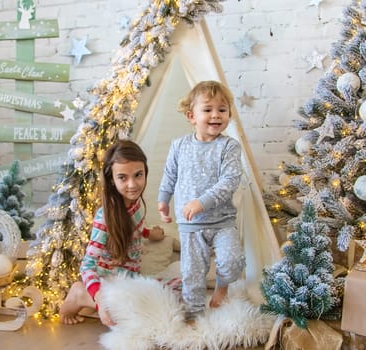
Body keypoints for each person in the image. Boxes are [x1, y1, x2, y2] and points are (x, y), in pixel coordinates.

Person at [158, 80, 246, 324]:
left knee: (233, 261)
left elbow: (229, 181)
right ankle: (194, 316)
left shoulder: (229, 147)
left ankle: (221, 287)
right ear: (191, 116)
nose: (216, 115)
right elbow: (170, 175)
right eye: (207, 109)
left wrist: (202, 202)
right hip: (191, 225)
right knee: (192, 274)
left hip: (222, 221)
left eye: (222, 109)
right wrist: (163, 200)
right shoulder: (179, 146)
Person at [60, 139, 165, 326]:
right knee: (136, 318)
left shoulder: (136, 203)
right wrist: (99, 298)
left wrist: (149, 233)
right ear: (112, 179)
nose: (132, 184)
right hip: (109, 281)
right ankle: (79, 295)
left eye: (138, 175)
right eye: (123, 178)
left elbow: (133, 227)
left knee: (169, 295)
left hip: (130, 275)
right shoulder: (105, 218)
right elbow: (87, 266)